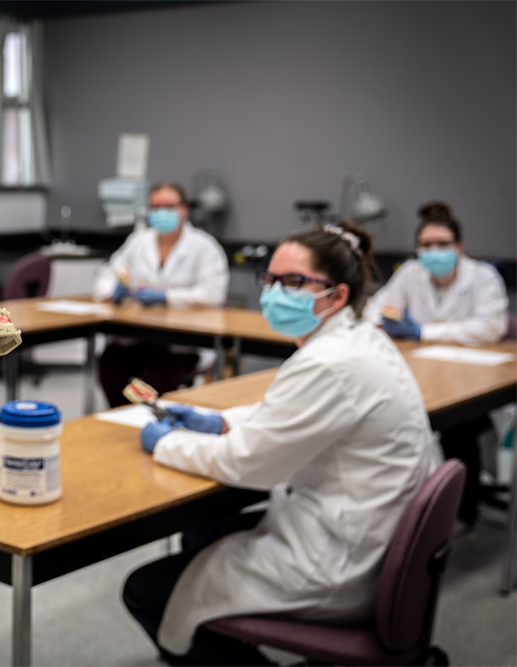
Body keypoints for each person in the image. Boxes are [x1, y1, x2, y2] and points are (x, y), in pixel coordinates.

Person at [124, 222, 434, 666]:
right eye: (269, 279)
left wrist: (166, 442)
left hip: (338, 561)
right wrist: (220, 421)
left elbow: (249, 465)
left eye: (292, 282)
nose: (274, 291)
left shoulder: (330, 363)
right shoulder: (361, 339)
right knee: (203, 530)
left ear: (337, 296)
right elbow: (299, 416)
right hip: (361, 530)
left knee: (144, 590)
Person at [364, 201, 509, 526]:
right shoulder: (412, 273)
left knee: (459, 429)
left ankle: (462, 514)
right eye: (427, 245)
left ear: (460, 246)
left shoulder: (482, 277)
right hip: (421, 371)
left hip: (473, 378)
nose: (434, 251)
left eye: (443, 244)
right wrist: (383, 320)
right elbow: (375, 308)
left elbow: (490, 328)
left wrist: (422, 331)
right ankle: (400, 512)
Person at [93, 181, 229, 408]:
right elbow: (110, 272)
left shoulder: (204, 246)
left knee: (152, 375)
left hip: (182, 341)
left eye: (169, 206)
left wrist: (166, 297)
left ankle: (144, 421)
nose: (161, 212)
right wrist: (112, 291)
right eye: (155, 207)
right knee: (109, 362)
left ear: (184, 209)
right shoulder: (139, 241)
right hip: (138, 333)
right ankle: (121, 419)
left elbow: (213, 293)